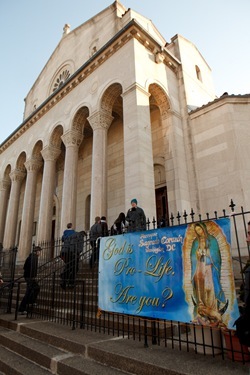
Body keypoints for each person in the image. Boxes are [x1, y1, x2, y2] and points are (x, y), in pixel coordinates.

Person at [190, 222, 227, 325]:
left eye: (200, 230)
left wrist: (207, 253)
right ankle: (201, 310)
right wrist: (197, 255)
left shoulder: (212, 240)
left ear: (204, 229)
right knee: (200, 290)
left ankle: (212, 310)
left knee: (210, 289)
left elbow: (216, 255)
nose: (199, 232)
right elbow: (192, 257)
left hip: (209, 267)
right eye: (197, 231)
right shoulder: (195, 242)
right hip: (199, 268)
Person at [18, 246, 41, 314]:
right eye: (39, 252)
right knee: (28, 292)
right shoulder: (34, 258)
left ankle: (32, 301)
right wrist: (32, 276)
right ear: (37, 252)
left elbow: (24, 267)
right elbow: (32, 268)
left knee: (36, 288)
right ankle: (22, 309)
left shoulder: (30, 257)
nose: (40, 253)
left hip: (28, 276)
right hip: (30, 277)